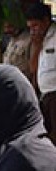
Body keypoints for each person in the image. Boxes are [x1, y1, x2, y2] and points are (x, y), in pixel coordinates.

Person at [26, 2, 56, 144]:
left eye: (36, 26)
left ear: (46, 21)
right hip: (44, 95)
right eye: (30, 27)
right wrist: (36, 46)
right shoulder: (37, 40)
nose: (33, 30)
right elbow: (33, 68)